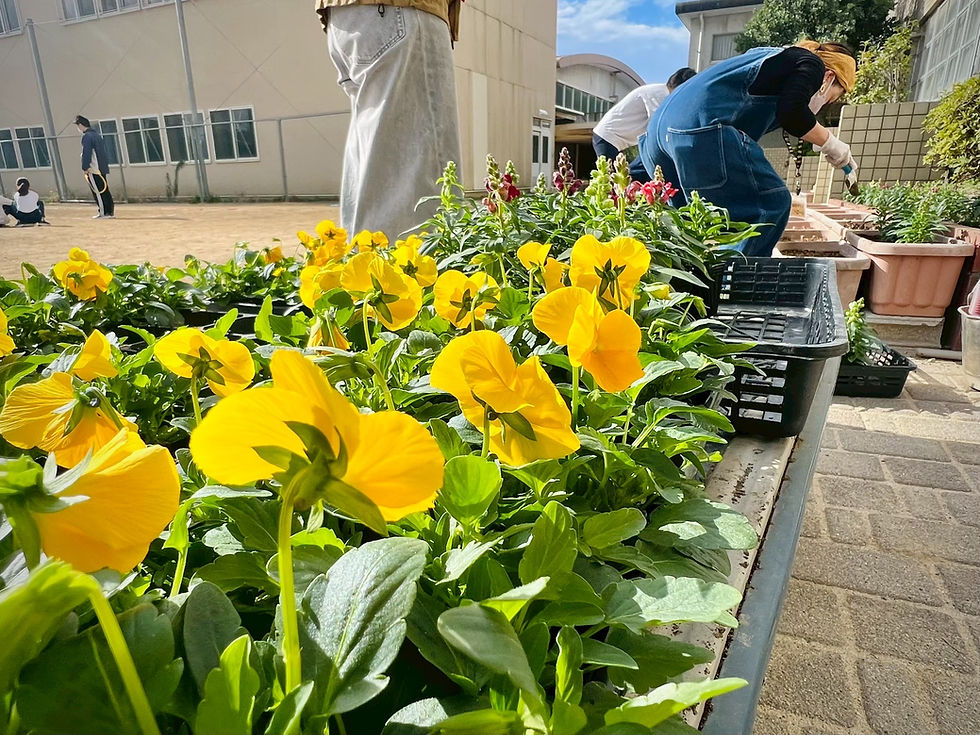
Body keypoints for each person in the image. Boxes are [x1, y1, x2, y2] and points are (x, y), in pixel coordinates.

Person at [637, 41, 858, 257]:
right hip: (698, 128)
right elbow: (793, 113)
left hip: (656, 135)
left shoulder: (765, 57)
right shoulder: (810, 63)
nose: (826, 104)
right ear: (828, 77)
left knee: (688, 229)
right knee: (768, 205)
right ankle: (737, 279)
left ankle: (693, 280)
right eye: (832, 98)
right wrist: (832, 144)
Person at [317, 0, 462, 239]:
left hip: (345, 19)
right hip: (404, 11)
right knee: (425, 184)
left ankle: (364, 260)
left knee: (372, 158)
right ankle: (392, 262)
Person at [593, 67, 696, 161]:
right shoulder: (661, 94)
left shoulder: (662, 93)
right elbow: (657, 128)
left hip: (615, 139)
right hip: (608, 136)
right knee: (611, 174)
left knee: (624, 172)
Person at [74, 115, 115, 220]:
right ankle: (109, 212)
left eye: (78, 125)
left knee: (98, 191)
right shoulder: (96, 135)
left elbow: (86, 153)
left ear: (81, 125)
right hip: (101, 167)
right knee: (104, 190)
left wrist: (85, 167)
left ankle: (103, 212)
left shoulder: (87, 136)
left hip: (94, 168)